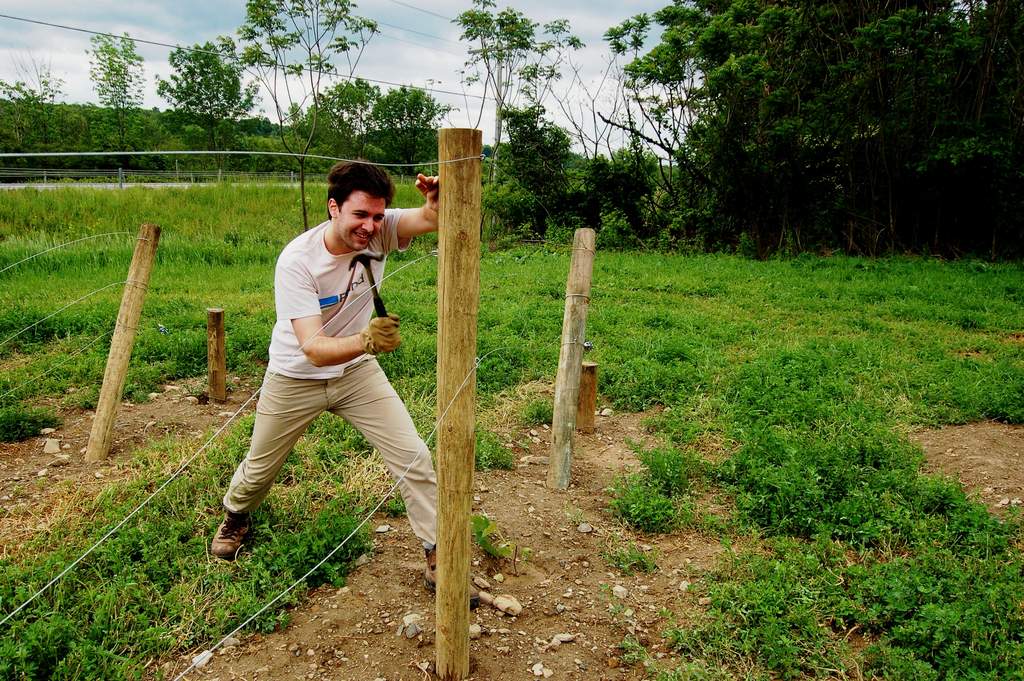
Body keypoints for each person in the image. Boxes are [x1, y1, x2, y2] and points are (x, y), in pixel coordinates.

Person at [211, 160, 477, 607]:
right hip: (296, 377)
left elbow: (431, 220)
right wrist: (366, 339)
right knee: (259, 469)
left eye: (378, 216)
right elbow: (313, 347)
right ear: (334, 208)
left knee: (414, 457)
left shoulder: (380, 230)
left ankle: (438, 554)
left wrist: (435, 202)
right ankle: (236, 515)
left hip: (355, 374)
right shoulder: (298, 261)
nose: (371, 227)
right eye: (360, 216)